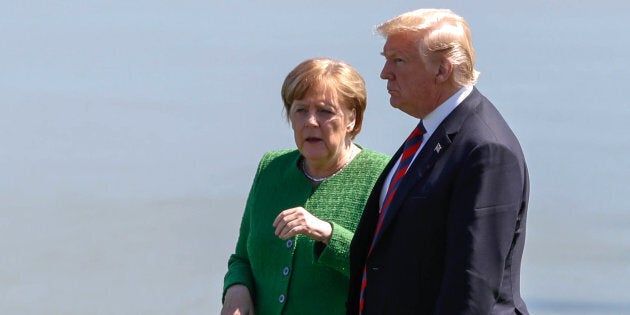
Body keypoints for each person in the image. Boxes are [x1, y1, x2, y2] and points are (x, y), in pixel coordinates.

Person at [346, 9, 530, 314]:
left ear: (442, 70)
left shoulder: (486, 149)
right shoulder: (431, 132)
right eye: (386, 57)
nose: (384, 72)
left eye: (399, 60)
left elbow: (471, 286)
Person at [221, 57, 389, 315]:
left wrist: (327, 234)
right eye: (300, 110)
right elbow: (242, 258)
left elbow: (390, 271)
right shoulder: (272, 168)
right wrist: (236, 292)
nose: (311, 121)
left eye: (325, 111)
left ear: (351, 119)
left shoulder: (382, 176)